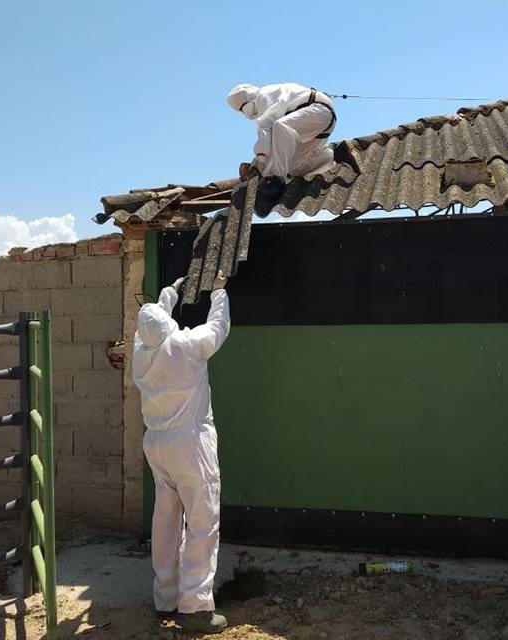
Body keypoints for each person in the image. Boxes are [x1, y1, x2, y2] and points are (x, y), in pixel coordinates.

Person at [132, 271, 230, 635]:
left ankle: (166, 597)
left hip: (156, 444)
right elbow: (217, 328)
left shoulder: (140, 355)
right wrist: (218, 292)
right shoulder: (187, 346)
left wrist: (169, 293)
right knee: (203, 523)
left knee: (166, 520)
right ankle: (196, 607)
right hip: (190, 444)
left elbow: (152, 321)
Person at [227, 82, 337, 197]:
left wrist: (258, 164)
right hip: (316, 125)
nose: (248, 114)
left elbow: (265, 136)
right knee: (292, 168)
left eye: (245, 110)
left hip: (319, 111)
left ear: (249, 100)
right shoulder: (267, 101)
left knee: (280, 126)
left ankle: (277, 180)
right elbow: (273, 143)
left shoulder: (265, 96)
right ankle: (327, 158)